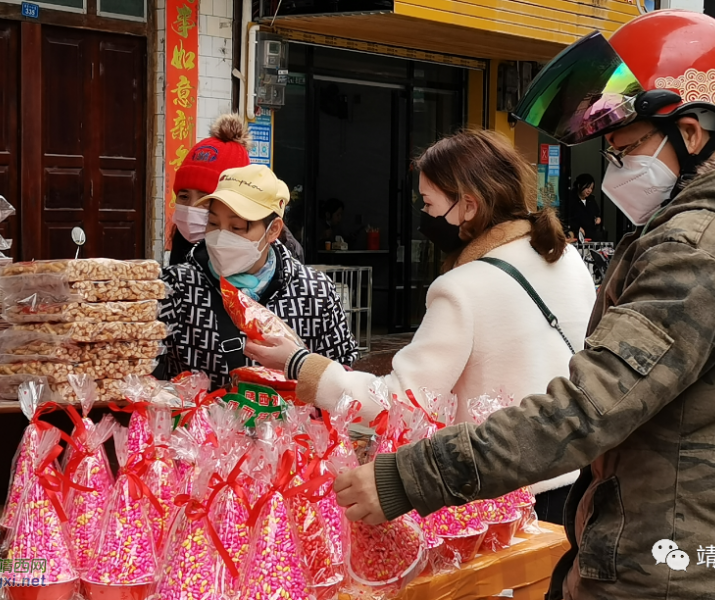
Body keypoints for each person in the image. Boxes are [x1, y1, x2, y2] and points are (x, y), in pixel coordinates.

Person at [331, 11, 715, 600]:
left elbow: (588, 407)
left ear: (691, 133)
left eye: (627, 149)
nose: (616, 168)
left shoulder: (701, 252)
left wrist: (409, 477)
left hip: (677, 575)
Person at [245, 129, 597, 524]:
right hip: (575, 478)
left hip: (502, 496)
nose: (424, 217)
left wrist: (301, 365)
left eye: (428, 203)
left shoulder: (463, 287)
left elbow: (400, 400)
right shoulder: (566, 259)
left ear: (467, 205)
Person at [157, 164, 358, 391]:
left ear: (273, 230)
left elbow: (344, 377)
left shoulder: (315, 292)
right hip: (200, 425)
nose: (221, 236)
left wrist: (297, 363)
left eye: (237, 227)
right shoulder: (176, 288)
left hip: (294, 425)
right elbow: (146, 369)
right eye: (213, 224)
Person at [168, 114, 251, 266]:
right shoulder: (181, 246)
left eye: (205, 199)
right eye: (184, 196)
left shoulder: (266, 262)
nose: (191, 208)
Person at [566, 173, 604, 241]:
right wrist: (576, 228)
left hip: (591, 236)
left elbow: (597, 213)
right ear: (579, 185)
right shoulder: (570, 200)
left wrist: (598, 218)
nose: (589, 190)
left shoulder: (591, 200)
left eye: (591, 188)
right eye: (587, 187)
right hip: (576, 236)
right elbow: (567, 218)